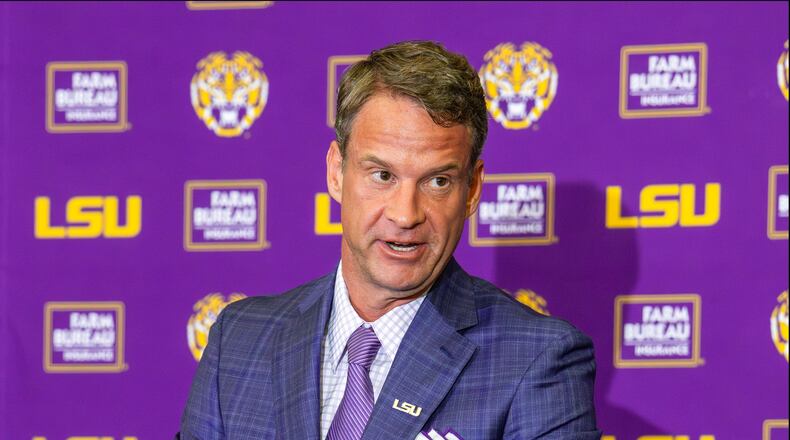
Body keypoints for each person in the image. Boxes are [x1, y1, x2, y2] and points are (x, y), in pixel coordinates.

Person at [179, 40, 600, 440]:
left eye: (438, 181)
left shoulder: (537, 360)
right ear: (336, 172)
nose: (405, 214)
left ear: (471, 190)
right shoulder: (238, 340)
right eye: (382, 175)